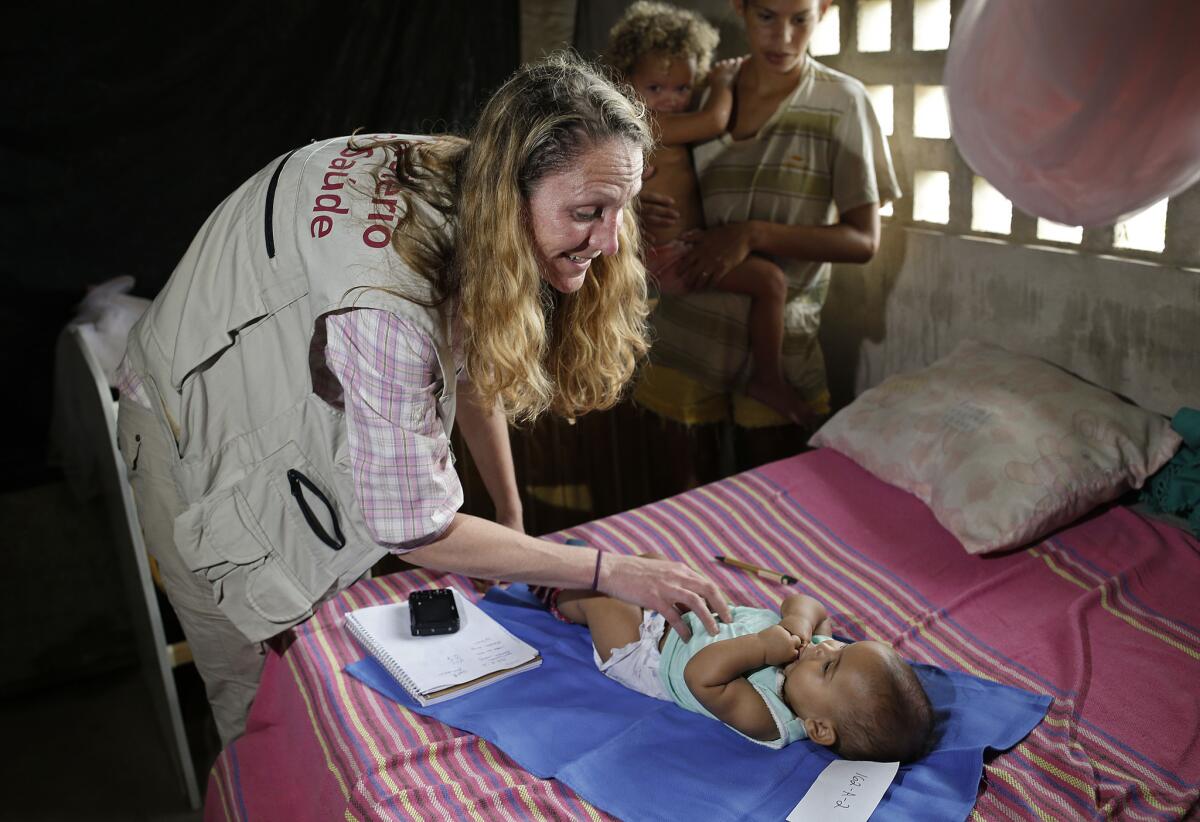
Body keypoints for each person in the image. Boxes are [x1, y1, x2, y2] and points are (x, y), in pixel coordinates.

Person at [114, 52, 733, 745]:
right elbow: (414, 529)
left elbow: (463, 366)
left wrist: (511, 516)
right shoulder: (385, 301)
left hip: (274, 345)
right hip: (185, 415)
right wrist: (609, 568)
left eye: (621, 209)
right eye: (588, 212)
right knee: (260, 701)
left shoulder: (467, 179)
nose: (612, 241)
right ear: (512, 194)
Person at [635, 0, 901, 442]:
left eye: (801, 19)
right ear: (740, 7)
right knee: (676, 506)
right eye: (766, 17)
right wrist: (636, 210)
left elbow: (863, 240)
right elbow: (649, 169)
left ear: (825, 10)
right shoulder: (696, 92)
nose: (783, 38)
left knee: (773, 498)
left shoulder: (842, 102)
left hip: (780, 357)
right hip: (683, 338)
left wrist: (752, 234)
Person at [607, 1, 810, 423]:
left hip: (676, 249)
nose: (670, 100)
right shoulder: (642, 124)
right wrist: (723, 80)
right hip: (667, 257)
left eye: (682, 89)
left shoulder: (649, 123)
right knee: (771, 282)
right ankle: (768, 379)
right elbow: (716, 120)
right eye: (655, 88)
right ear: (625, 84)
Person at [558, 587, 934, 761]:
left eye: (831, 664)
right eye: (843, 648)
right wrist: (796, 620)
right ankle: (583, 570)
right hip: (690, 614)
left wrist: (762, 648)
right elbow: (807, 604)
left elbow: (700, 676)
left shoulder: (771, 717)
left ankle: (554, 592)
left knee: (604, 600)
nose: (827, 647)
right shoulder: (813, 652)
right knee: (651, 565)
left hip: (648, 652)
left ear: (818, 728)